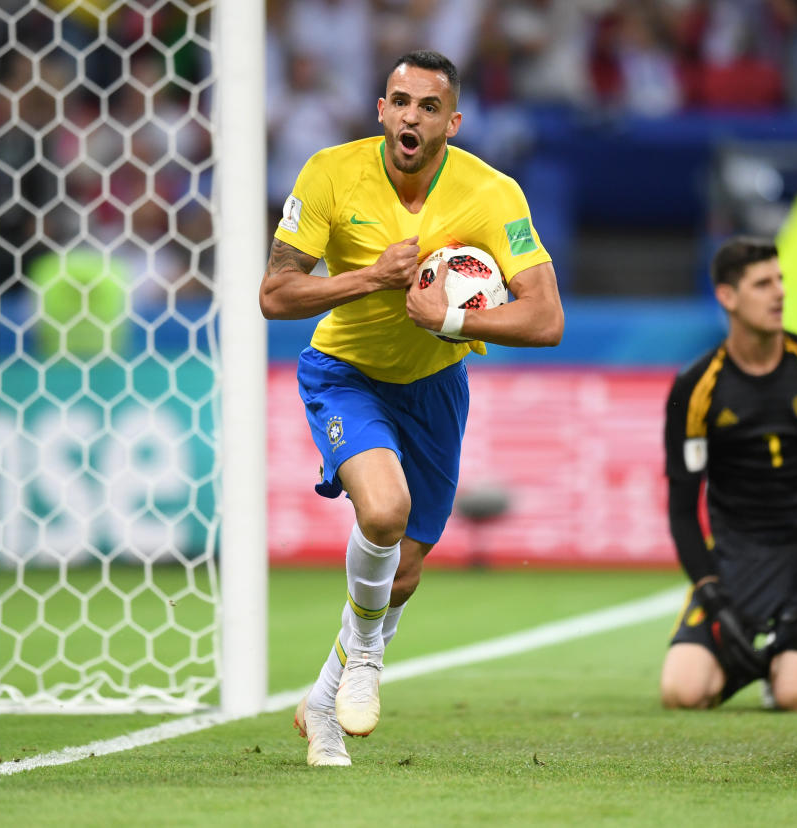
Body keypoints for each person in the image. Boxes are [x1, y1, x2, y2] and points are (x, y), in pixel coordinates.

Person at [260, 50, 564, 766]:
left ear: (452, 122)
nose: (411, 116)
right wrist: (372, 277)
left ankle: (321, 704)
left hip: (435, 387)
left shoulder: (492, 194)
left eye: (429, 107)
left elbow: (545, 319)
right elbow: (275, 294)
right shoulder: (330, 173)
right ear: (381, 110)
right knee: (385, 512)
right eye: (400, 101)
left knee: (404, 571)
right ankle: (366, 657)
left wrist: (452, 322)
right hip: (346, 374)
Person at [659, 237, 797, 712]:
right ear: (727, 297)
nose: (779, 292)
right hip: (738, 563)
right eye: (763, 284)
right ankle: (765, 659)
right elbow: (681, 510)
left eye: (780, 280)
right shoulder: (694, 387)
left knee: (796, 695)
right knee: (682, 692)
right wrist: (713, 599)